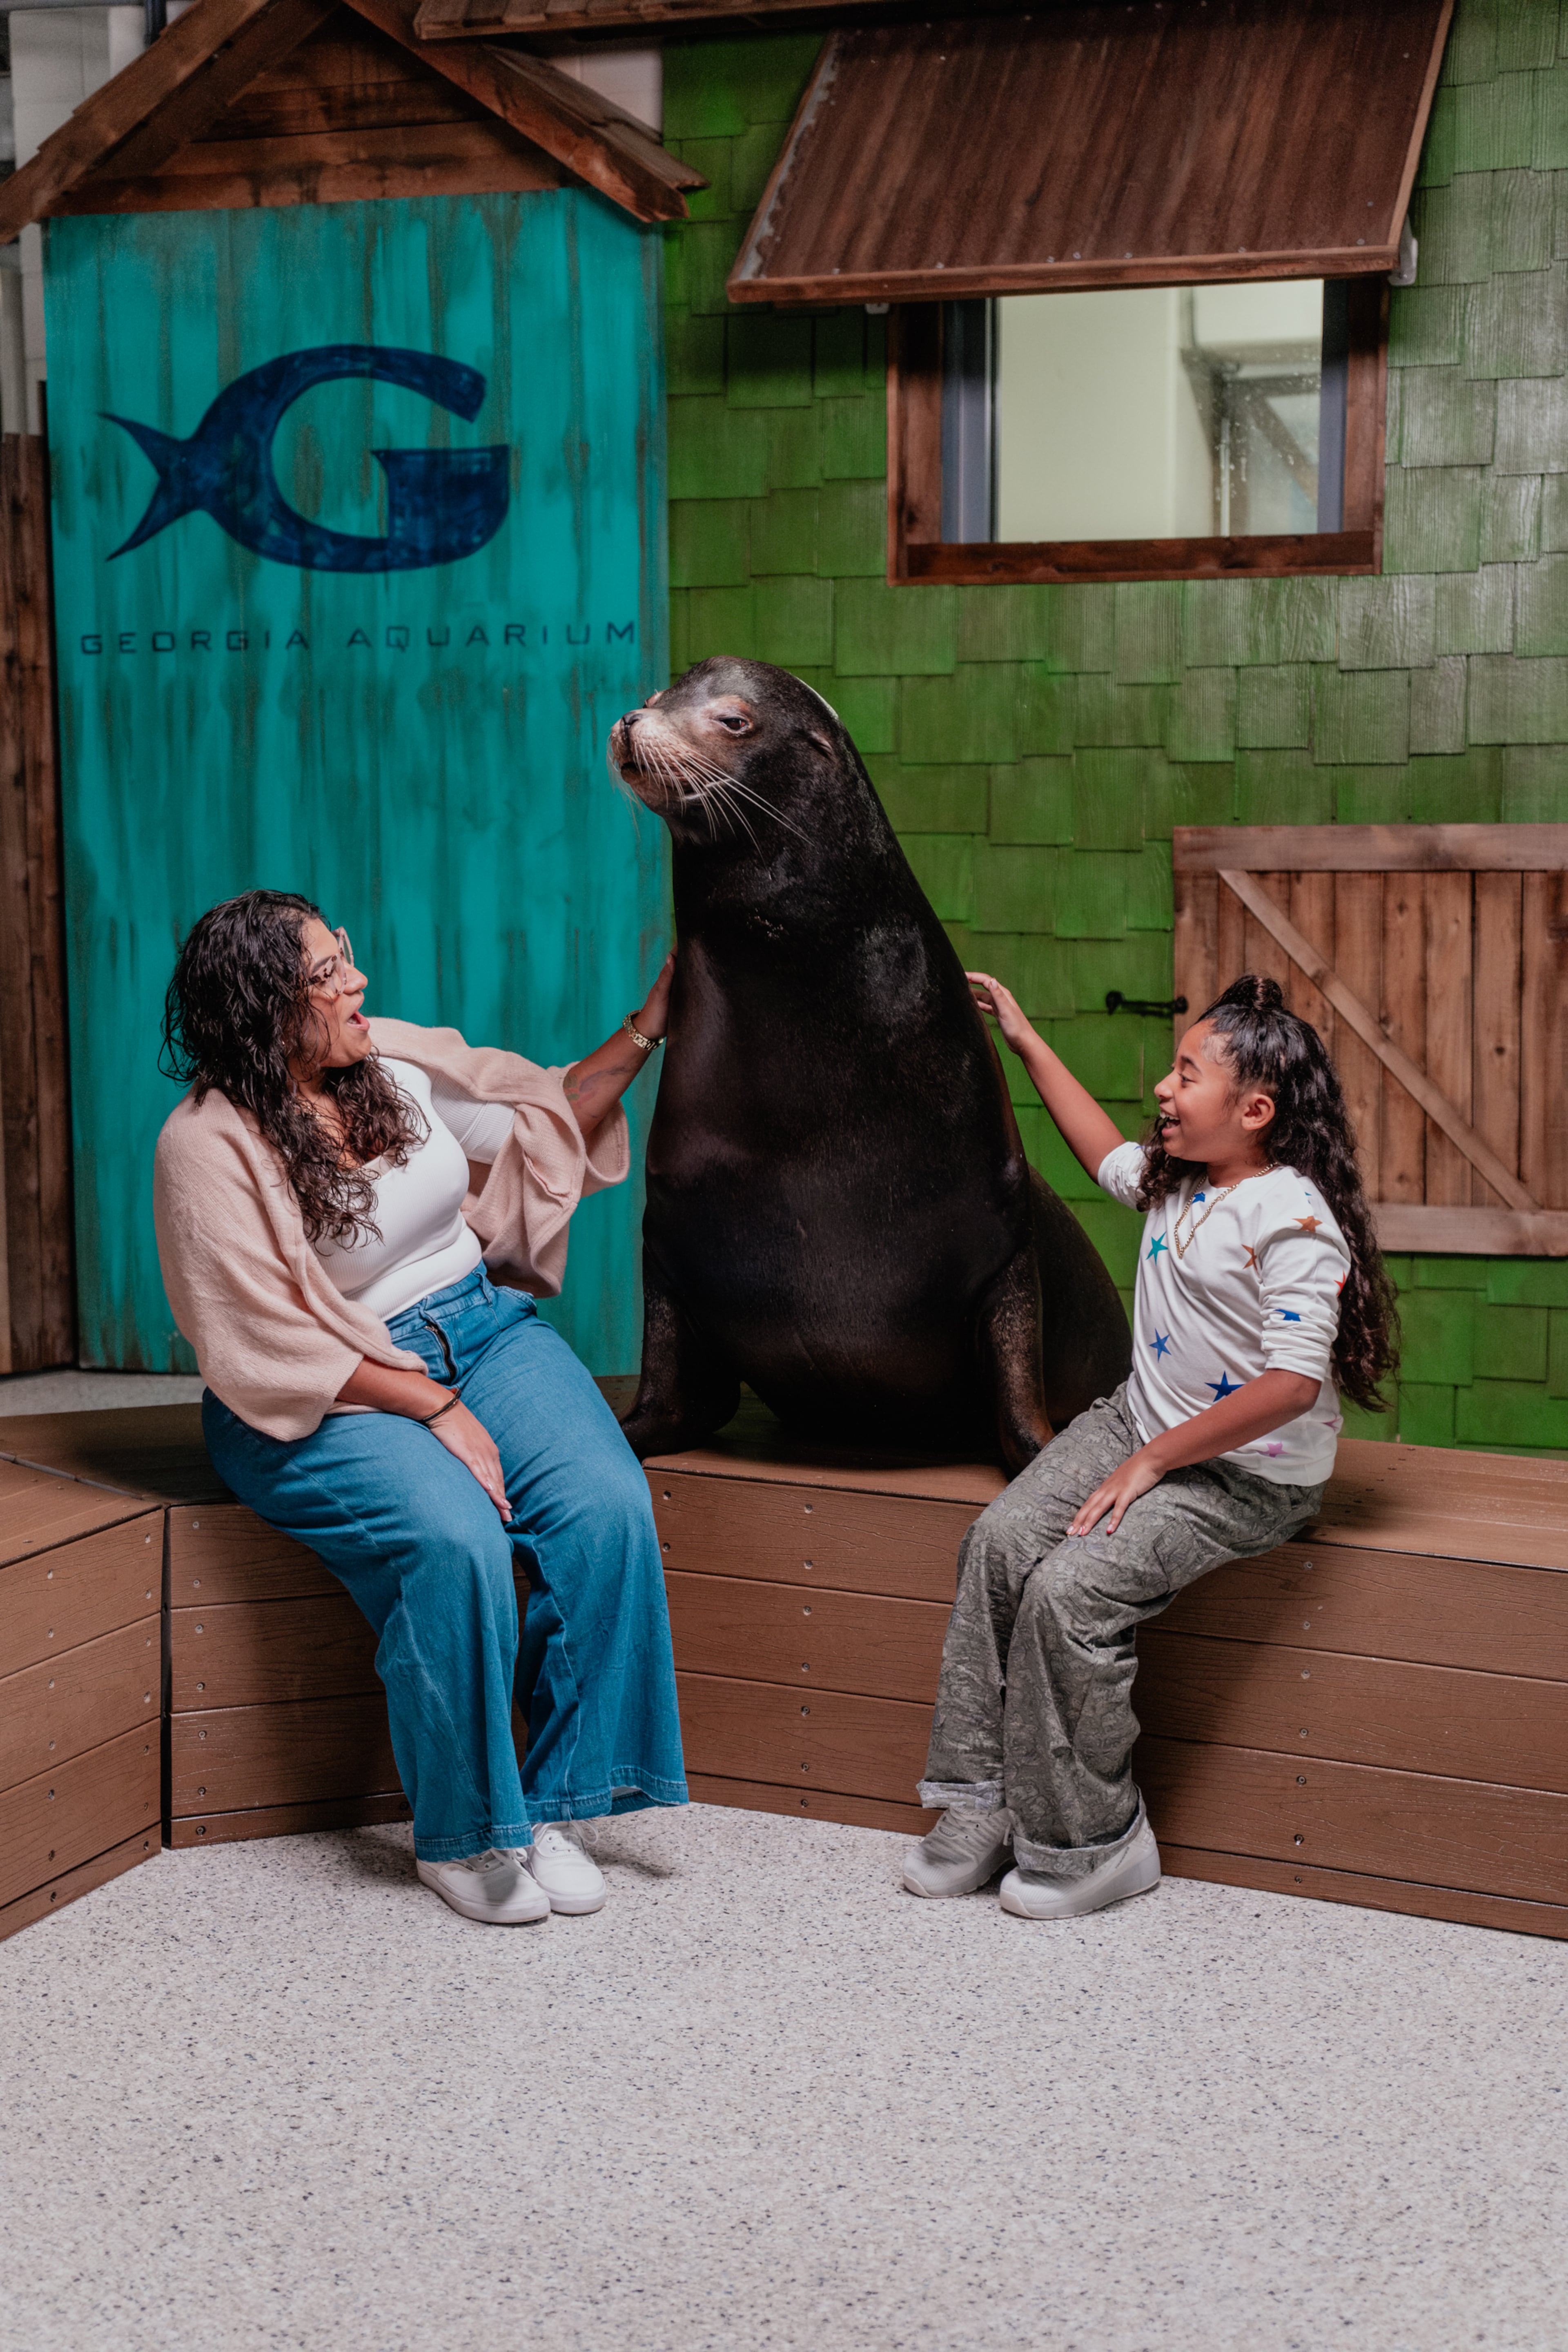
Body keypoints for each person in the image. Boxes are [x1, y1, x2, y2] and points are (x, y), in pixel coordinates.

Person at [154, 889, 688, 1927]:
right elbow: (257, 1343)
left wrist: (650, 1023)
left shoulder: (391, 1065)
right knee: (455, 1544)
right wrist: (430, 1405)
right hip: (322, 1387)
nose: (357, 981)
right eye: (326, 972)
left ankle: (547, 1807)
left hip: (481, 1330)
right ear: (267, 1004)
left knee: (608, 1508)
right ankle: (467, 1835)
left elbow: (552, 1119)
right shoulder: (206, 1146)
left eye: (344, 955)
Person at [904, 972, 1398, 1921]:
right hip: (1143, 1424)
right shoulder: (1183, 1180)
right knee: (1001, 1545)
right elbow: (1100, 1152)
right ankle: (979, 1805)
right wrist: (1026, 1037)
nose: (1164, 1091)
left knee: (1069, 1592)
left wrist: (1155, 1461)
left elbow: (1293, 1383)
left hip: (1247, 1476)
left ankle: (1098, 1839)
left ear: (1254, 1111)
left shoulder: (1291, 1220)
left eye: (1186, 1074)